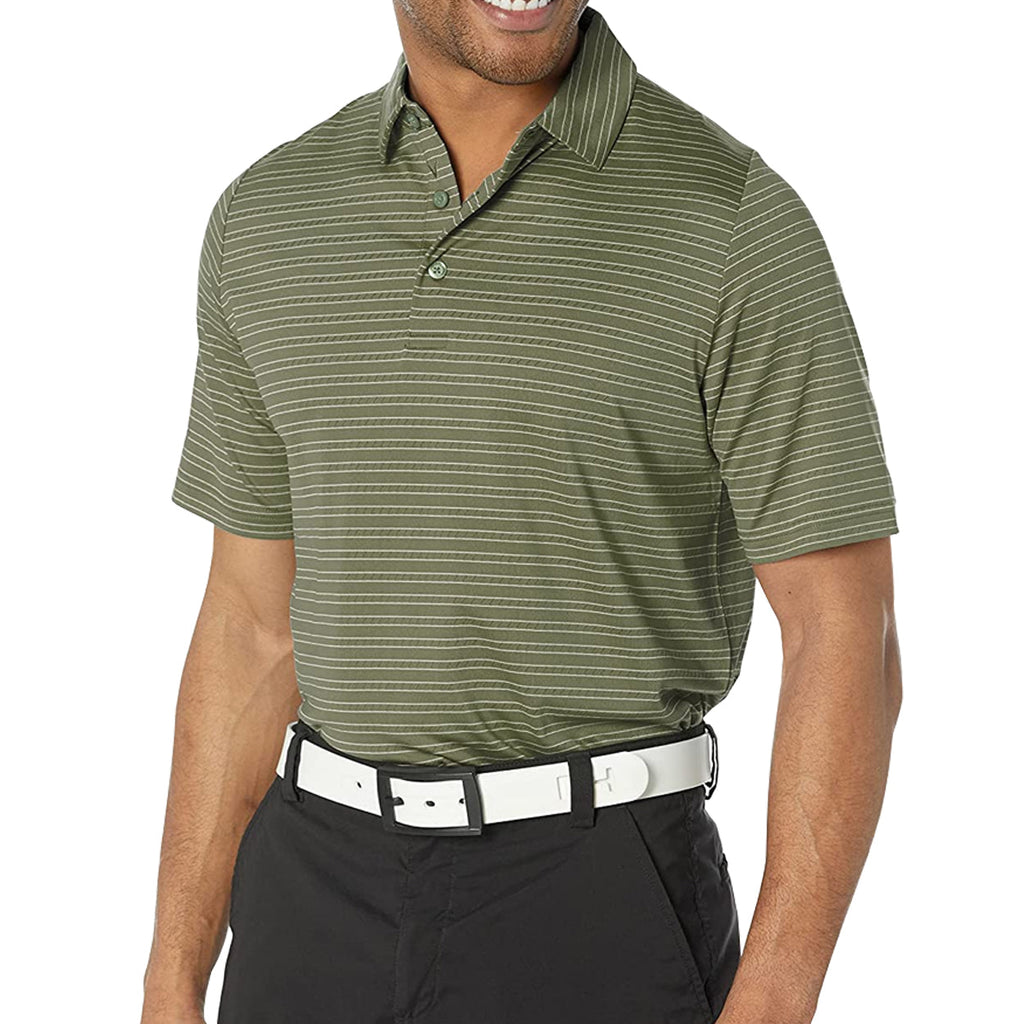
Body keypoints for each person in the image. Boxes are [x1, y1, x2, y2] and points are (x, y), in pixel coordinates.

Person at [141, 3, 902, 1022]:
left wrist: (772, 999)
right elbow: (248, 625)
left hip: (599, 897)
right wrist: (171, 979)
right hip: (310, 894)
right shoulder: (270, 217)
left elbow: (844, 629)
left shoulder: (730, 218)